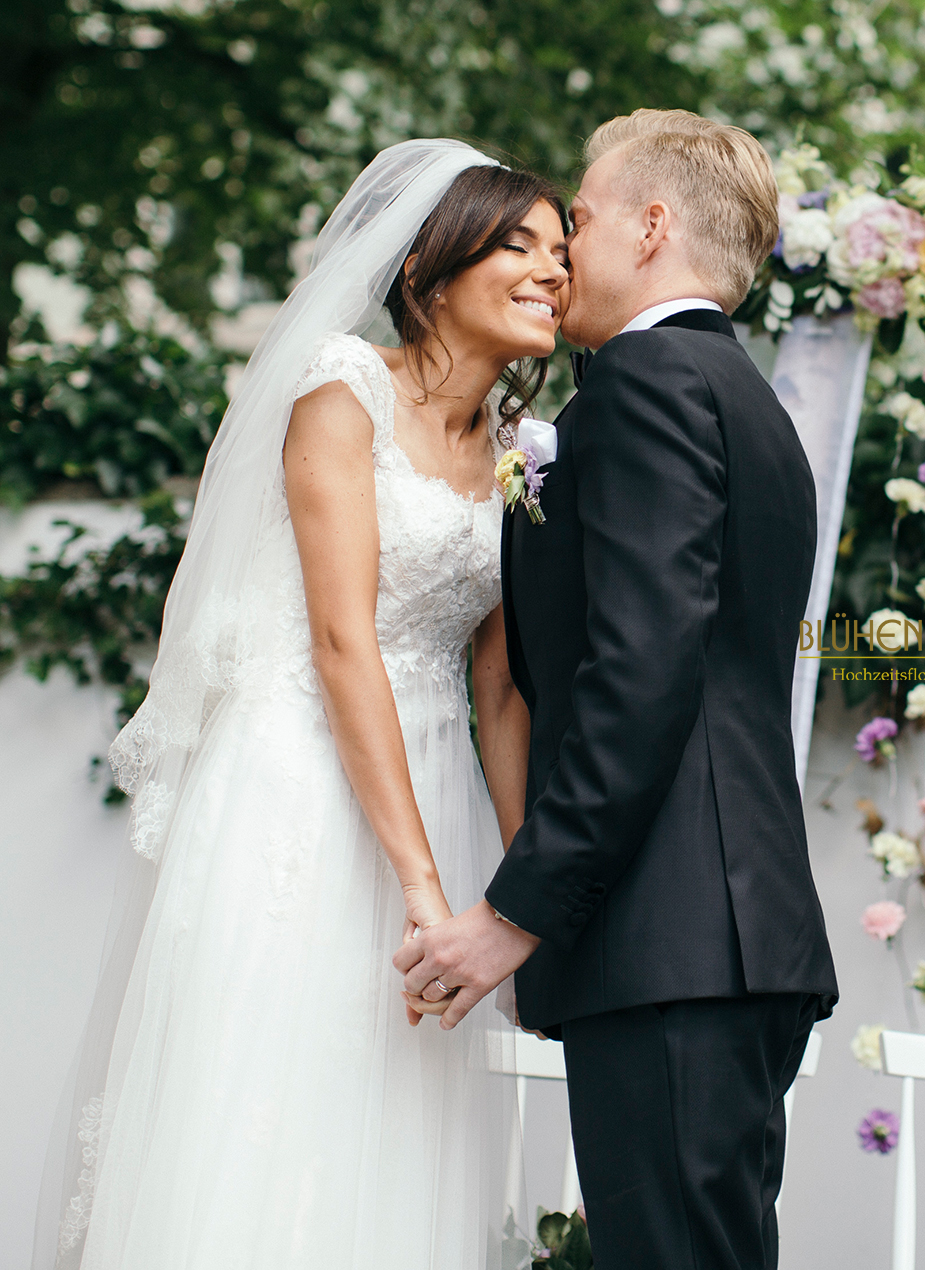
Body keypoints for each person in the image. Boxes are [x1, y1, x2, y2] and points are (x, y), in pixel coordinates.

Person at [33, 141, 566, 1269]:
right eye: (519, 243)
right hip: (300, 783)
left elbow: (501, 686)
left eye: (562, 250)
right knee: (273, 1089)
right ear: (429, 263)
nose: (552, 270)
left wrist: (517, 890)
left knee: (398, 1112)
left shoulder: (520, 448)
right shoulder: (342, 390)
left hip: (437, 782)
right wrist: (421, 886)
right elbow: (340, 644)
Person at [393, 108, 838, 1270]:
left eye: (578, 220)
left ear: (650, 227)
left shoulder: (643, 384)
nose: (560, 252)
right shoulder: (746, 402)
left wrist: (515, 909)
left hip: (673, 939)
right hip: (726, 938)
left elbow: (642, 672)